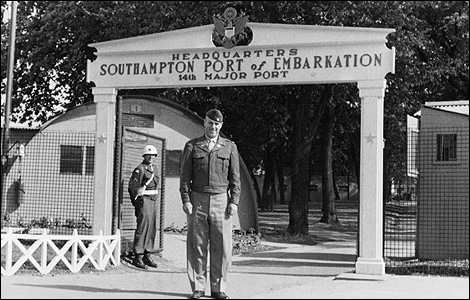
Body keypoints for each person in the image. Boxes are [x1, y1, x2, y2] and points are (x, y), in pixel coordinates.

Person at [180, 109, 241, 299]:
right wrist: (186, 200)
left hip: (221, 200)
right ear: (204, 124)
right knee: (197, 245)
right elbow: (184, 178)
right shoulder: (192, 146)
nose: (212, 127)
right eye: (209, 123)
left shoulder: (229, 147)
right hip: (198, 200)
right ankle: (198, 287)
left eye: (216, 124)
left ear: (220, 126)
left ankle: (218, 288)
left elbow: (236, 179)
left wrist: (234, 202)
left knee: (222, 247)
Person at [128, 144, 160, 270]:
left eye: (153, 155)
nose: (151, 157)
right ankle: (138, 256)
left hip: (153, 200)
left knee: (151, 227)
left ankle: (147, 253)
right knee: (142, 227)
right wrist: (137, 202)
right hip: (144, 200)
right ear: (144, 155)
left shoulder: (155, 169)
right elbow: (133, 187)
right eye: (148, 155)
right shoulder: (139, 169)